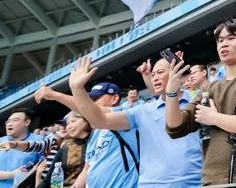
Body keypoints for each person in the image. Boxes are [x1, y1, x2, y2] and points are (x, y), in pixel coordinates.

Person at [165, 18, 236, 186]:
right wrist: (171, 93)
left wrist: (214, 118)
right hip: (210, 181)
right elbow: (176, 128)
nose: (223, 44)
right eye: (220, 40)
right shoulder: (211, 88)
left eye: (231, 38)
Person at [68, 56, 202, 187]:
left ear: (175, 73)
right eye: (153, 74)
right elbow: (99, 120)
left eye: (160, 72)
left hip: (196, 182)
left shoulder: (197, 101)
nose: (155, 77)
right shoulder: (142, 111)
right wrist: (77, 88)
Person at [33, 81, 140, 188]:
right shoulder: (95, 133)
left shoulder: (125, 113)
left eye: (96, 99)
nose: (90, 103)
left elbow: (88, 109)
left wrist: (55, 95)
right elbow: (87, 169)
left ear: (114, 98)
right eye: (89, 100)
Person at [37, 112, 90, 188]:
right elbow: (48, 181)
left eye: (73, 121)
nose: (69, 126)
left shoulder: (98, 139)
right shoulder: (66, 147)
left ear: (86, 120)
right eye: (67, 124)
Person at [0, 109, 42, 188]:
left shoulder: (39, 140)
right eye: (8, 121)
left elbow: (43, 166)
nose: (9, 124)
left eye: (15, 120)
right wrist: (12, 174)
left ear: (27, 122)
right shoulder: (1, 142)